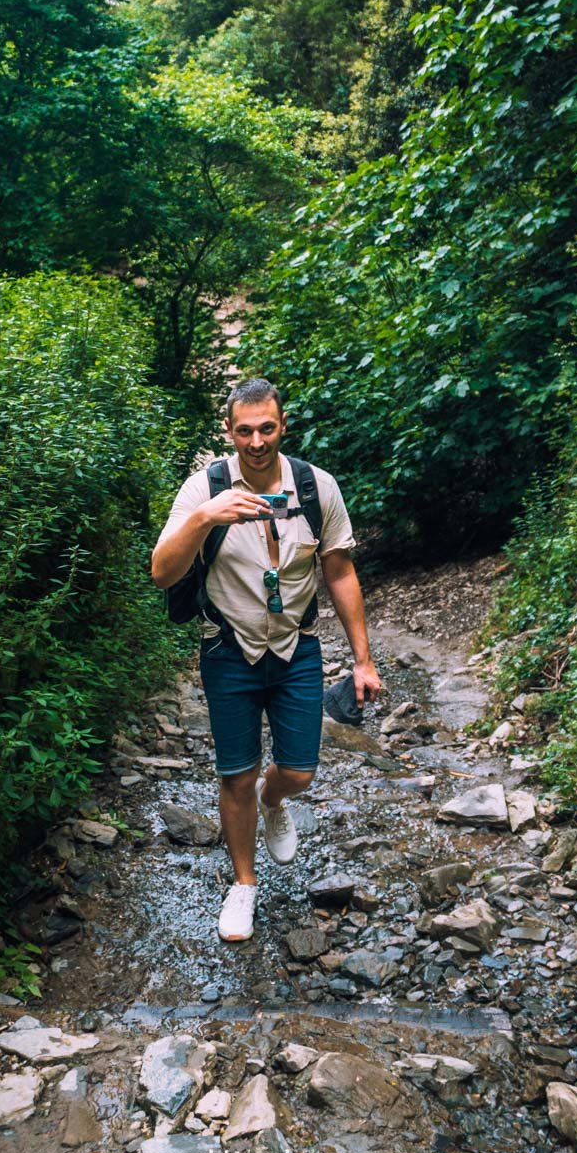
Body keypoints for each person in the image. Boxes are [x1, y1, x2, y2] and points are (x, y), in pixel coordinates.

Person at [150, 377, 381, 942]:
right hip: (228, 648)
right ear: (228, 432)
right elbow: (161, 572)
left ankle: (273, 801)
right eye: (245, 431)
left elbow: (340, 570)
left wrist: (363, 660)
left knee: (298, 771)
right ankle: (244, 885)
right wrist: (206, 517)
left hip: (296, 647)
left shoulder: (315, 485)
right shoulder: (203, 488)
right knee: (236, 774)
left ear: (283, 426)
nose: (257, 441)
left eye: (267, 428)